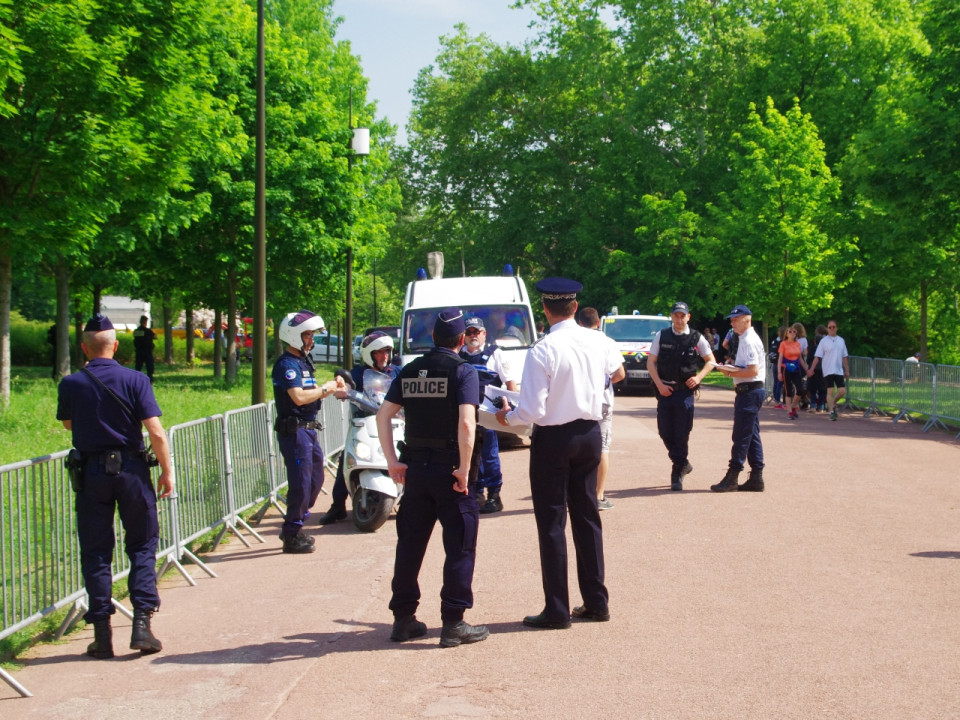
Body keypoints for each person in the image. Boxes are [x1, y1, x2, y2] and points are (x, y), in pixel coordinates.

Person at [496, 278, 624, 629]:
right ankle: (597, 602)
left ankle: (556, 609)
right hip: (590, 432)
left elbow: (533, 410)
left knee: (552, 523)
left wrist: (507, 416)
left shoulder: (543, 349)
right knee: (587, 518)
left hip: (554, 438)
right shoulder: (600, 340)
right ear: (574, 305)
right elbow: (619, 372)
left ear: (546, 309)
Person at [56, 313, 174, 659]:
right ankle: (142, 626)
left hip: (92, 473)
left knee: (96, 551)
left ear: (84, 348)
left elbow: (67, 424)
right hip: (133, 471)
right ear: (116, 346)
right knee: (141, 546)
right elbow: (155, 431)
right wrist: (167, 471)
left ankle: (102, 635)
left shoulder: (71, 383)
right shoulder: (136, 379)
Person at [377, 308, 489, 648]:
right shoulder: (462, 371)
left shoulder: (409, 371)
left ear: (433, 339)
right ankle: (453, 623)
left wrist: (393, 462)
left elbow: (384, 415)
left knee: (409, 545)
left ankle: (403, 620)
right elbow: (467, 424)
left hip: (415, 470)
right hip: (449, 470)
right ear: (460, 340)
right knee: (459, 546)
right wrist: (464, 470)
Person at [272, 309, 343, 553]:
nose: (312, 340)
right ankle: (292, 533)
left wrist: (335, 386)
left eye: (312, 335)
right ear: (294, 335)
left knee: (316, 481)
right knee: (301, 484)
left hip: (309, 430)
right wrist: (327, 388)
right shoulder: (287, 364)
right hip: (295, 432)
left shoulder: (303, 362)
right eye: (308, 335)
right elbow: (299, 397)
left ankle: (296, 522)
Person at [318, 331, 400, 525]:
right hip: (364, 423)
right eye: (378, 353)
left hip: (395, 423)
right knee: (348, 459)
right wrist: (341, 386)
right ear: (368, 354)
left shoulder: (397, 372)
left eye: (387, 352)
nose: (384, 357)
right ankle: (337, 506)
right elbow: (344, 382)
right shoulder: (358, 373)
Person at [646, 302, 717, 491]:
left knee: (681, 433)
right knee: (664, 431)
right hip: (664, 391)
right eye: (676, 315)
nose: (679, 319)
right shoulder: (662, 335)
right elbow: (651, 362)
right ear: (672, 316)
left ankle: (677, 472)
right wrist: (660, 385)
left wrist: (699, 377)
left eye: (682, 316)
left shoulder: (696, 337)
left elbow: (711, 361)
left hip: (685, 392)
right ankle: (683, 462)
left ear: (688, 317)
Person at [459, 316, 518, 514]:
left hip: (488, 417)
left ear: (484, 334)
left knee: (489, 456)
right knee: (467, 454)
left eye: (477, 332)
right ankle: (475, 493)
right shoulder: (458, 355)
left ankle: (494, 495)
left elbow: (510, 385)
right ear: (464, 336)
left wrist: (512, 409)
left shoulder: (496, 355)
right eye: (469, 332)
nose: (473, 335)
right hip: (465, 416)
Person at [712, 304, 766, 492]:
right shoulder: (745, 339)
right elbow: (747, 367)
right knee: (751, 435)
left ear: (747, 319)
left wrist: (729, 372)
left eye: (735, 319)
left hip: (749, 391)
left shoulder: (748, 340)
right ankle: (756, 477)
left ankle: (733, 476)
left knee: (741, 435)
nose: (732, 322)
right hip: (751, 390)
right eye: (732, 319)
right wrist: (732, 367)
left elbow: (752, 370)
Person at [577, 307, 625, 508]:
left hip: (578, 399)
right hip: (603, 401)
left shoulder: (575, 342)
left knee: (578, 446)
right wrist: (606, 382)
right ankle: (598, 496)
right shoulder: (607, 343)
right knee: (602, 447)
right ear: (598, 323)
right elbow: (620, 374)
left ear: (579, 323)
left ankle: (576, 493)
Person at [807, 319, 849, 421]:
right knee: (830, 391)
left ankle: (832, 403)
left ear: (837, 328)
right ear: (827, 329)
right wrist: (811, 369)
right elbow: (817, 357)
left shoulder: (841, 340)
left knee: (842, 391)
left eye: (833, 327)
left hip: (838, 369)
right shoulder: (823, 341)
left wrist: (847, 370)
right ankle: (831, 412)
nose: (832, 329)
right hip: (828, 370)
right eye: (830, 327)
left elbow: (844, 357)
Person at [778, 324, 809, 420]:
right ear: (786, 334)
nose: (792, 333)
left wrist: (807, 370)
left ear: (796, 334)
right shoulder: (783, 343)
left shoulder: (798, 344)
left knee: (800, 389)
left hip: (796, 368)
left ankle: (794, 405)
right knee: (788, 390)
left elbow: (800, 358)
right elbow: (780, 358)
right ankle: (789, 411)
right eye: (790, 331)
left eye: (794, 332)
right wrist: (779, 372)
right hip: (786, 368)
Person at [806, 325, 828, 412]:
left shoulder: (813, 348)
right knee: (822, 388)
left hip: (814, 369)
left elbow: (809, 359)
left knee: (813, 388)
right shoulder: (826, 348)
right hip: (824, 369)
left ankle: (813, 405)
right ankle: (821, 406)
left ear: (815, 341)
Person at [132, 315, 156, 382]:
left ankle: (136, 380)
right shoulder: (148, 331)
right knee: (149, 367)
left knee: (138, 367)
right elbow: (155, 337)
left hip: (139, 351)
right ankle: (150, 380)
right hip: (147, 351)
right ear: (145, 322)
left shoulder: (137, 331)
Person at [769, 327, 785, 408]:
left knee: (776, 382)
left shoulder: (774, 341)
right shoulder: (783, 342)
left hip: (774, 364)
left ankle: (776, 399)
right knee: (780, 383)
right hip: (781, 364)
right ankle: (778, 400)